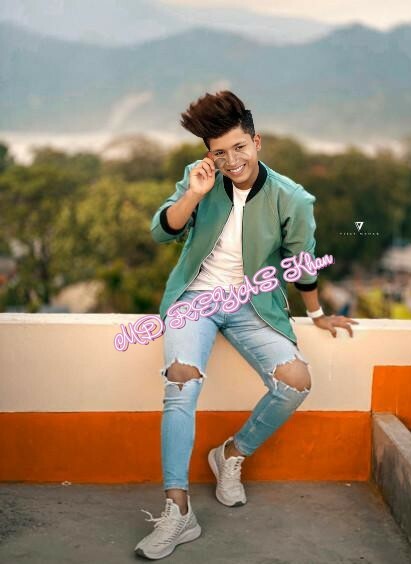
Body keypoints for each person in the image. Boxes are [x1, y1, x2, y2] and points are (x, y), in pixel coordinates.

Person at [134, 91, 358, 560]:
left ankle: (231, 454)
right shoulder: (200, 179)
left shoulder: (291, 198)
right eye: (220, 153)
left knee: (295, 381)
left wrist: (317, 314)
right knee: (180, 380)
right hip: (195, 300)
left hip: (252, 304)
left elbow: (301, 263)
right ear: (209, 154)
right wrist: (193, 194)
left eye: (239, 147)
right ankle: (178, 510)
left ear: (257, 142)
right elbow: (161, 231)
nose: (232, 161)